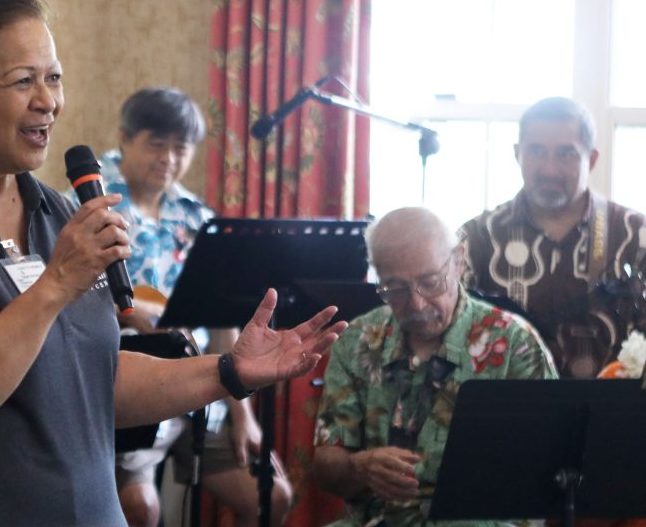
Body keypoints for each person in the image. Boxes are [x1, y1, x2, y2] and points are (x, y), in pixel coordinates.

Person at [0, 0, 347, 527]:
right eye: (23, 81)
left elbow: (94, 378)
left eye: (53, 78)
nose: (48, 101)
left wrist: (229, 372)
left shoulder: (54, 212)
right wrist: (56, 285)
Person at [64, 87, 292, 527]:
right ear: (125, 138)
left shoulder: (196, 217)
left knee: (271, 497)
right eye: (156, 144)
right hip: (126, 382)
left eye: (181, 148)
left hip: (203, 382)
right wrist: (125, 312)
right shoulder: (84, 203)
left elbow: (222, 319)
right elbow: (65, 297)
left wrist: (242, 412)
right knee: (140, 509)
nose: (168, 158)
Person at [313, 206, 557, 527]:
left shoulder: (515, 344)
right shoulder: (357, 340)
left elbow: (553, 469)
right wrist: (360, 467)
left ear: (458, 261)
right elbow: (326, 464)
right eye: (396, 289)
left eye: (430, 282)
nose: (417, 304)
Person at [459, 97, 646, 378]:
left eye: (566, 154)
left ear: (592, 159)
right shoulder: (476, 239)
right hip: (506, 402)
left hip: (614, 403)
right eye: (536, 151)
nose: (550, 169)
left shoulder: (635, 236)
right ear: (517, 154)